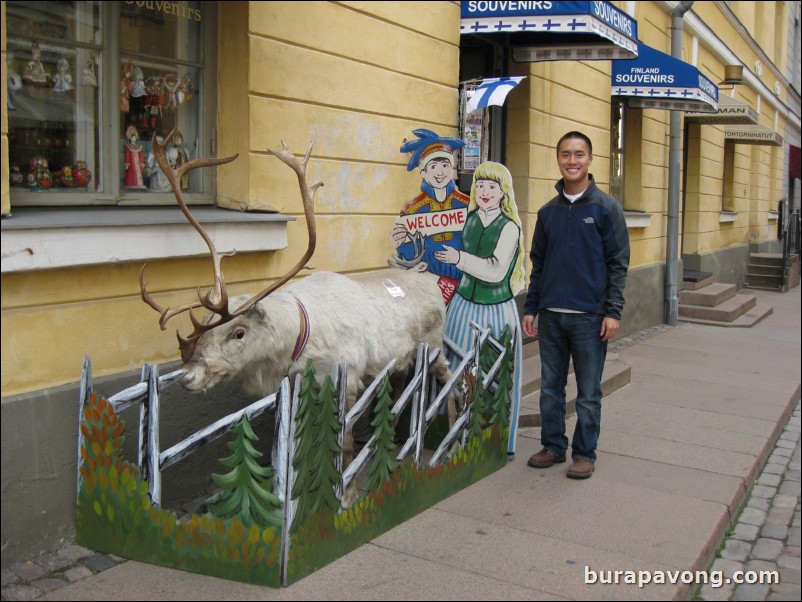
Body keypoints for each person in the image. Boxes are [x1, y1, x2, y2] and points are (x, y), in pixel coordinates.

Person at [522, 131, 630, 479]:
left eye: (579, 154)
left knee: (588, 392)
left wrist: (612, 310)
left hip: (589, 319)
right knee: (551, 388)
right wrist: (531, 307)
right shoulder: (548, 212)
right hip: (552, 317)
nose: (572, 161)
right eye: (566, 154)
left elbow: (618, 262)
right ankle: (553, 446)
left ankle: (584, 452)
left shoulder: (605, 208)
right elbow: (538, 263)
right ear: (558, 160)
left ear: (590, 160)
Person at [434, 161, 526, 456]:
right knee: (454, 372)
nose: (485, 191)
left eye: (492, 186)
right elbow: (437, 238)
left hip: (495, 310)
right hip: (462, 308)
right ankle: (452, 440)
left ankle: (491, 444)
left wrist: (459, 259)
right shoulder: (468, 218)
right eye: (480, 185)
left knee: (492, 375)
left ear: (503, 193)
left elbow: (496, 270)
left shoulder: (509, 228)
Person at [390, 129, 469, 305]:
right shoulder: (412, 210)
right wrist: (400, 244)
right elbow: (409, 258)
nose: (440, 172)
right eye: (433, 166)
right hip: (429, 288)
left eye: (445, 165)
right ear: (423, 173)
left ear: (452, 168)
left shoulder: (468, 205)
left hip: (467, 286)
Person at [123, 125, 146, 189]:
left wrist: (141, 162)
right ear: (130, 138)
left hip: (138, 164)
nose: (134, 138)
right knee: (131, 174)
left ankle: (139, 183)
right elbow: (127, 155)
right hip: (132, 164)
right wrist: (127, 163)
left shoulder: (139, 146)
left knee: (139, 173)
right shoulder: (128, 147)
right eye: (133, 137)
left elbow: (140, 155)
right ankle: (131, 184)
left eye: (135, 137)